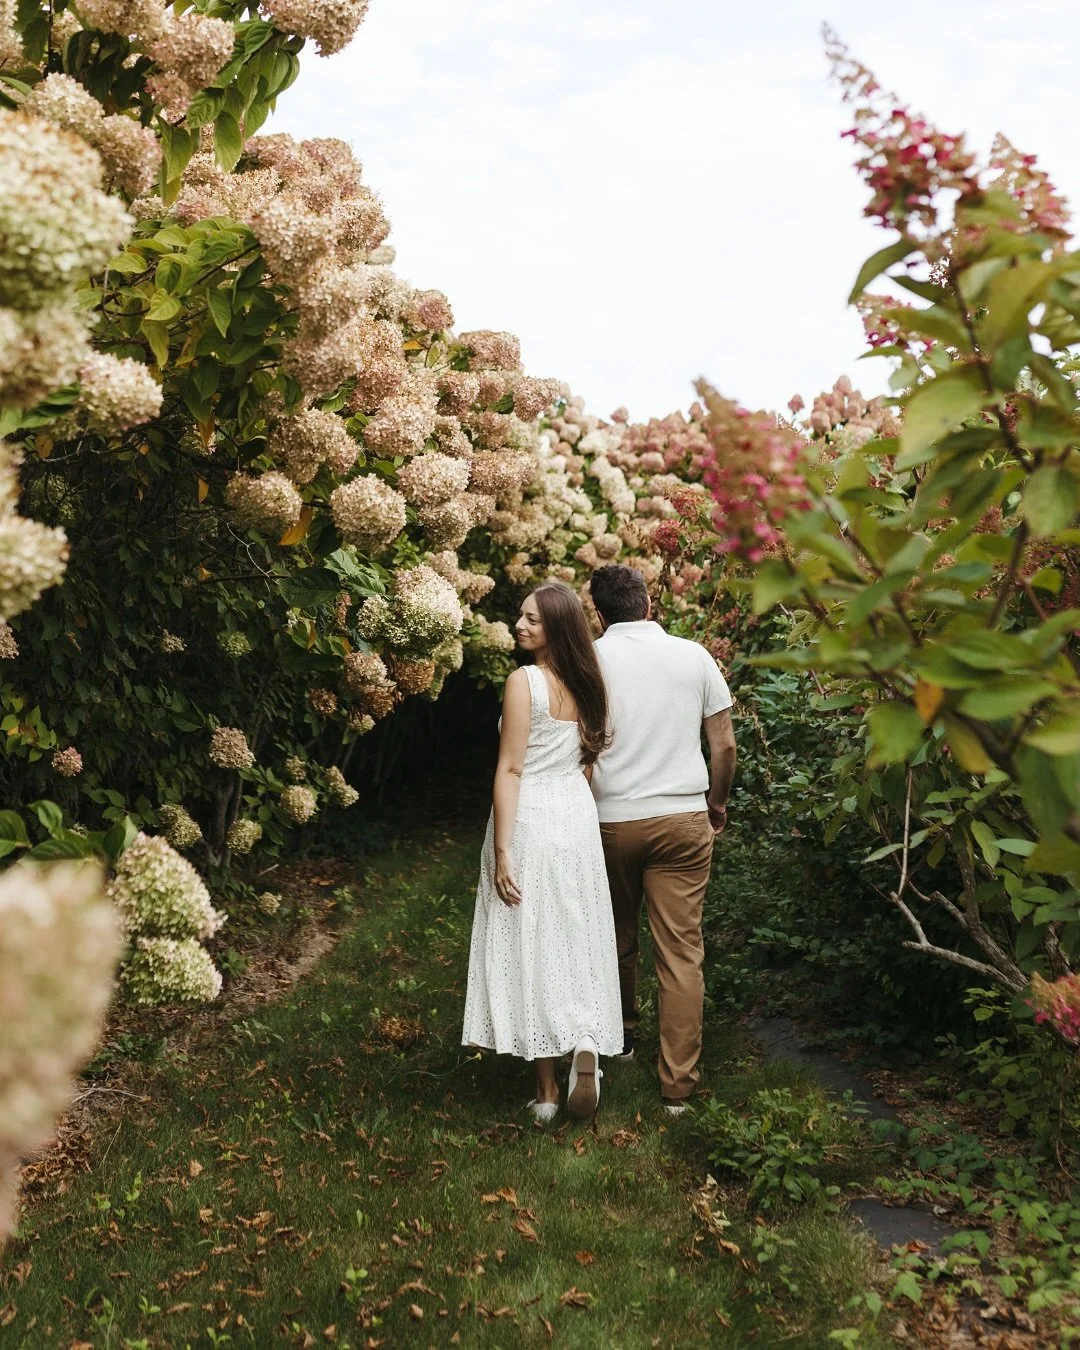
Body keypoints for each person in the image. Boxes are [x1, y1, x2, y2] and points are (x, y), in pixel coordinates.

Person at [462, 581, 623, 1122]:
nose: (519, 625)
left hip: (530, 816)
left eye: (531, 619)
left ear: (556, 627)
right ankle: (583, 1035)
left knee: (532, 941)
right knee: (575, 935)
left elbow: (510, 768)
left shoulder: (523, 681)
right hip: (575, 817)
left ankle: (548, 1092)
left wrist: (503, 849)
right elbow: (587, 763)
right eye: (520, 616)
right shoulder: (590, 684)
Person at [588, 564, 737, 1117]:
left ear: (599, 614)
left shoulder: (588, 660)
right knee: (680, 952)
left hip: (610, 820)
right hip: (682, 818)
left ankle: (621, 1037)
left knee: (615, 935)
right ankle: (678, 1087)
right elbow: (724, 746)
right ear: (649, 603)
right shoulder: (694, 656)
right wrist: (716, 803)